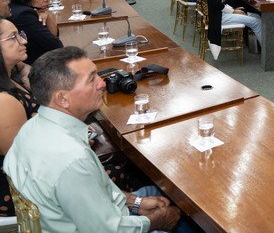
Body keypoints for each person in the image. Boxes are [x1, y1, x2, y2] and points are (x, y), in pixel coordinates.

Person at [5, 47, 182, 232]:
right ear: (62, 99)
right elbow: (108, 230)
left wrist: (135, 203)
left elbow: (91, 193)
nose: (102, 83)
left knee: (160, 194)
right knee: (185, 214)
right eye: (91, 79)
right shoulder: (72, 160)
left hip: (73, 219)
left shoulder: (31, 129)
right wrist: (156, 222)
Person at [0, 16, 37, 218]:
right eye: (13, 37)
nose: (23, 41)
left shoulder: (10, 77)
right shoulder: (3, 101)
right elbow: (25, 164)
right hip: (19, 199)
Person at [9, 0, 63, 65]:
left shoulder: (20, 8)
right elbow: (55, 44)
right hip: (37, 65)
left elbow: (54, 35)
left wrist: (47, 14)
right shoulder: (24, 15)